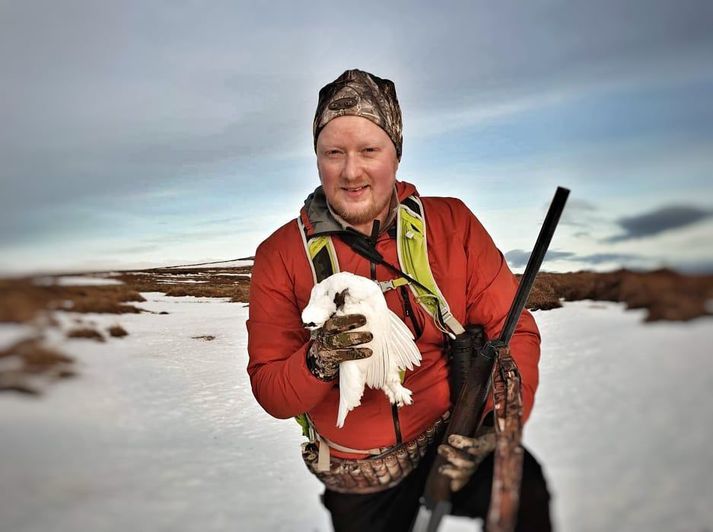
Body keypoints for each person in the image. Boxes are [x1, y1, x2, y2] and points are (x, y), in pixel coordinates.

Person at [247, 69, 551, 531]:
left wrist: (492, 428)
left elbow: (514, 331)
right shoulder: (279, 255)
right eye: (334, 153)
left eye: (369, 150)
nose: (352, 172)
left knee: (523, 492)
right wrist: (319, 359)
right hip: (359, 473)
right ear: (317, 160)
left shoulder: (453, 224)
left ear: (396, 154)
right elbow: (272, 390)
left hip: (455, 439)